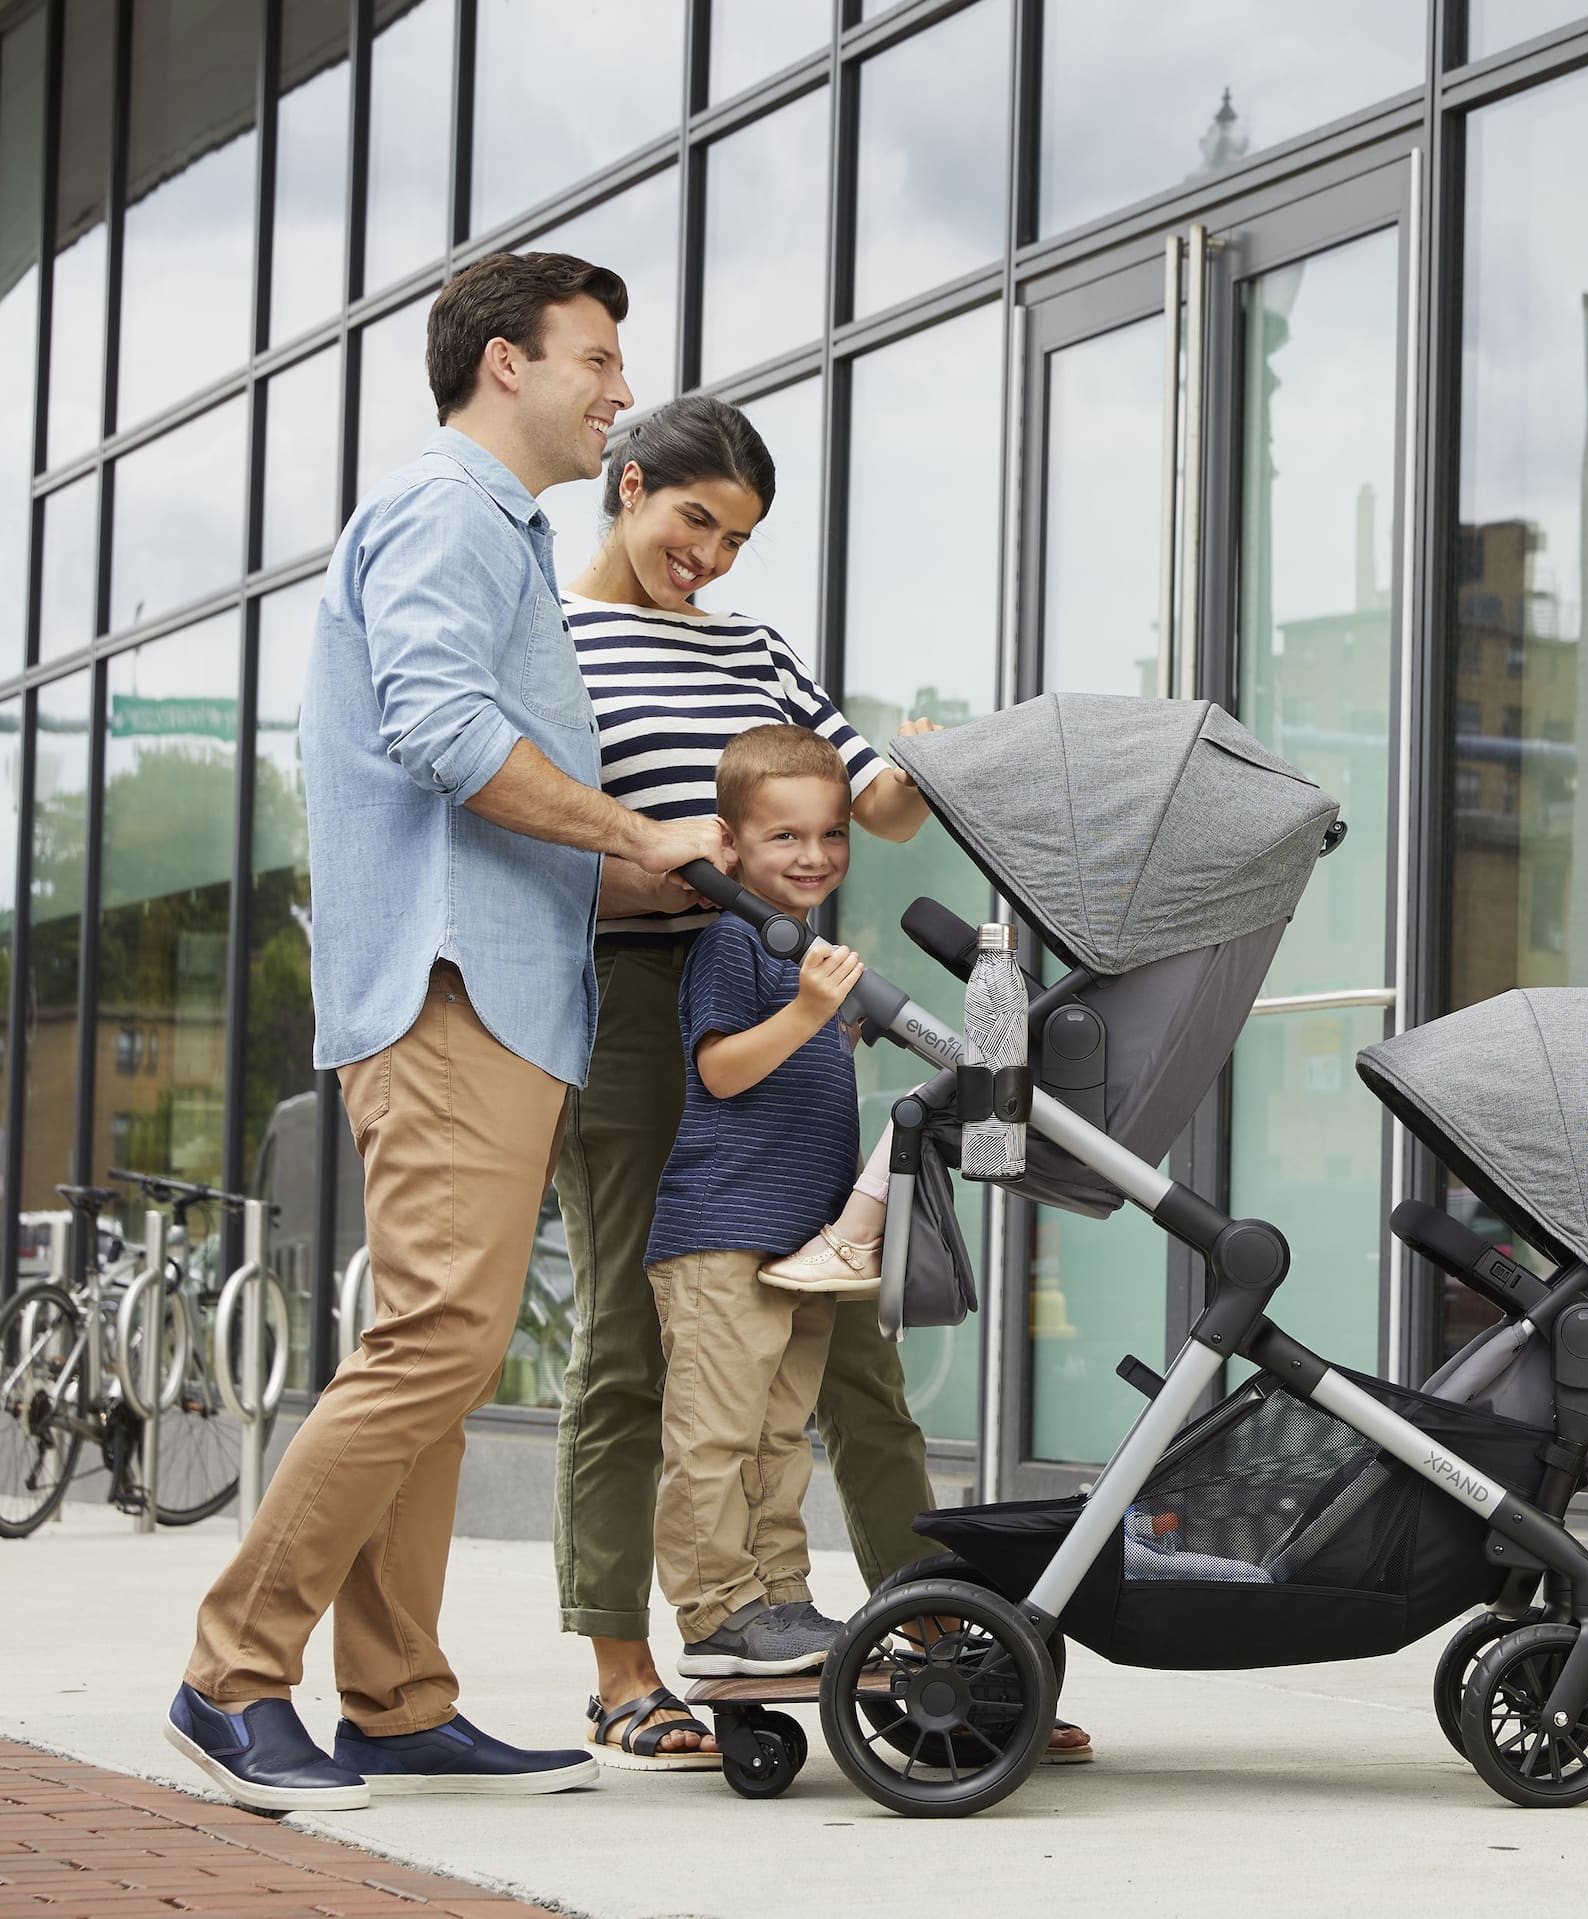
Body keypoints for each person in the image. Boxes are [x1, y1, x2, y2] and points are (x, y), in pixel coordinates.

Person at [164, 250, 725, 1815]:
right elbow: (441, 728)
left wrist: (637, 862)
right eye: (599, 360)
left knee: (441, 1350)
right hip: (448, 985)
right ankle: (230, 1674)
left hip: (500, 981)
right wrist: (637, 825)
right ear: (504, 364)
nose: (622, 391)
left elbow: (485, 768)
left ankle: (400, 1702)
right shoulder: (442, 513)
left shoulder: (502, 536)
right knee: (434, 1345)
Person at [554, 396, 1090, 1766]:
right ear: (626, 488)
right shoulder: (554, 639)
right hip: (631, 1004)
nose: (713, 559)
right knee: (634, 1336)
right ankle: (628, 1664)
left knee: (849, 1343)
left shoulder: (757, 648)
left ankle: (941, 1651)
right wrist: (680, 856)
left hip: (793, 1003)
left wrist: (923, 760)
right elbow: (545, 840)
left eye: (737, 537)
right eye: (694, 522)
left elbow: (871, 800)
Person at [647, 725, 870, 1673]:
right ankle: (715, 1611)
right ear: (730, 847)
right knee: (717, 1432)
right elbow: (723, 1073)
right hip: (723, 1235)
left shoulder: (805, 953)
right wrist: (812, 1014)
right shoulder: (734, 942)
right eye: (785, 837)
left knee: (782, 1433)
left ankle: (778, 1595)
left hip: (798, 1243)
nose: (812, 855)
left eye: (830, 834)